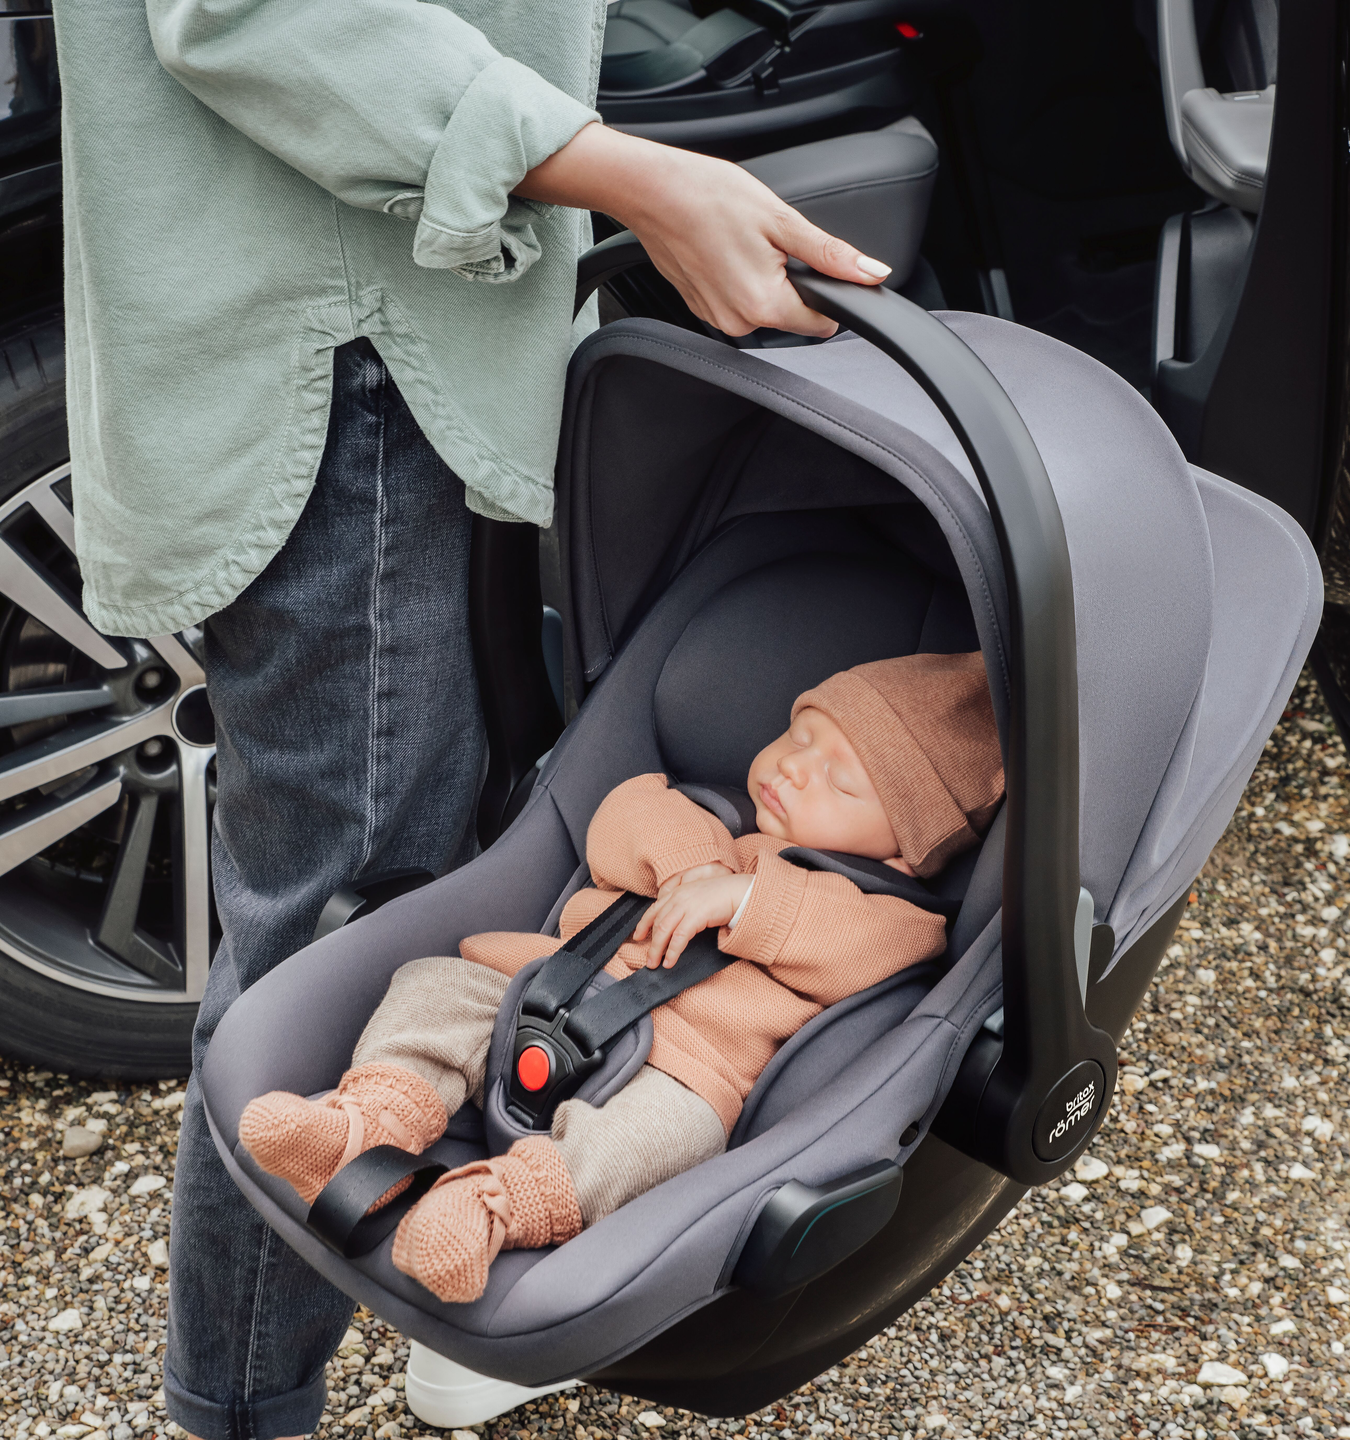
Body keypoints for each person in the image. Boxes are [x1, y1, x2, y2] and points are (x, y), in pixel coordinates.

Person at [53, 3, 899, 1435]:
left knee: (419, 887)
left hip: (420, 323)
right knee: (337, 944)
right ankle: (244, 1409)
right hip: (351, 345)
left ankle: (465, 1269)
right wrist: (626, 172)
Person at [238, 654, 1004, 1304]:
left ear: (904, 851)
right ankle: (369, 1120)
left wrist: (744, 900)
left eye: (839, 782)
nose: (795, 769)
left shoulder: (891, 914)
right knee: (434, 985)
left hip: (682, 1072)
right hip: (540, 988)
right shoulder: (707, 816)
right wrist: (692, 866)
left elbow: (862, 945)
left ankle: (493, 1207)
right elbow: (624, 814)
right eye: (799, 736)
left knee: (665, 1141)